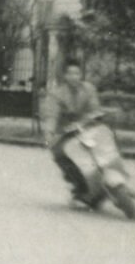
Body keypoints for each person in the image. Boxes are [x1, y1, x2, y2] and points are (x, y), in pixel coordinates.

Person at [39, 61, 103, 205]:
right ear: (64, 76)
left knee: (107, 139)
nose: (74, 77)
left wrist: (93, 117)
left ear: (81, 75)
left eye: (77, 73)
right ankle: (80, 187)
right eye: (70, 73)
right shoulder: (56, 94)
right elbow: (51, 115)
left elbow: (95, 108)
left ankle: (116, 173)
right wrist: (49, 134)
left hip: (87, 126)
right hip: (66, 132)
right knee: (59, 153)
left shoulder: (89, 89)